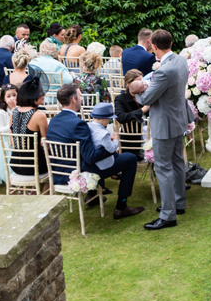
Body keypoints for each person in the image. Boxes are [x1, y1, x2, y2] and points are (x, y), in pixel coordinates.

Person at [46, 84, 144, 220]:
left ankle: (92, 196)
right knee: (130, 158)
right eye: (80, 95)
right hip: (79, 173)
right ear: (73, 99)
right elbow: (90, 157)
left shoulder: (53, 121)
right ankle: (121, 207)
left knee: (111, 156)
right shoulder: (79, 124)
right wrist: (110, 147)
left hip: (58, 172)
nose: (82, 98)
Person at [137, 30, 190, 230]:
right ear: (171, 43)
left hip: (164, 125)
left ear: (153, 46)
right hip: (178, 119)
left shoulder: (163, 71)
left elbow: (146, 99)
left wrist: (138, 89)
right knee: (177, 162)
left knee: (163, 167)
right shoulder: (181, 60)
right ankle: (178, 203)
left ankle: (168, 215)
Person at [8, 77, 48, 177]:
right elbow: (47, 144)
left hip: (15, 163)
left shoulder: (14, 112)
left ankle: (37, 187)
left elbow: (12, 142)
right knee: (56, 161)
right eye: (40, 92)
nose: (43, 94)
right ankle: (46, 187)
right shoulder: (40, 115)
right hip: (36, 165)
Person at [86, 103, 120, 173]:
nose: (109, 120)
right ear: (104, 119)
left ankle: (115, 174)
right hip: (102, 164)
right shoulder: (104, 133)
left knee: (117, 154)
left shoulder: (87, 125)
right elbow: (111, 149)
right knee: (131, 158)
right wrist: (116, 140)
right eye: (109, 118)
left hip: (90, 161)